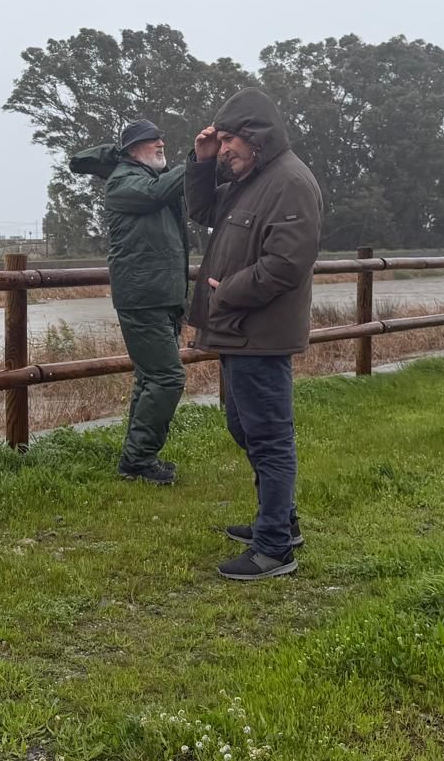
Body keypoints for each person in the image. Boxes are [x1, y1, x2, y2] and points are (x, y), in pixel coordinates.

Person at [186, 87, 321, 581]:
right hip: (238, 331)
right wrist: (200, 164)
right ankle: (280, 521)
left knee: (268, 438)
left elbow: (288, 263)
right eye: (219, 142)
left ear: (256, 137)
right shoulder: (254, 179)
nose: (223, 149)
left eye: (228, 141)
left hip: (258, 331)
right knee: (245, 428)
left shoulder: (290, 182)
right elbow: (203, 214)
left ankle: (274, 548)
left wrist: (228, 293)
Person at [69, 119, 189, 484]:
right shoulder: (125, 182)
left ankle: (137, 459)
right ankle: (138, 460)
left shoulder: (144, 177)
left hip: (160, 296)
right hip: (144, 299)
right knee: (167, 378)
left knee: (149, 378)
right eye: (151, 141)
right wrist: (196, 161)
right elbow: (158, 193)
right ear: (132, 150)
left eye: (160, 138)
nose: (160, 144)